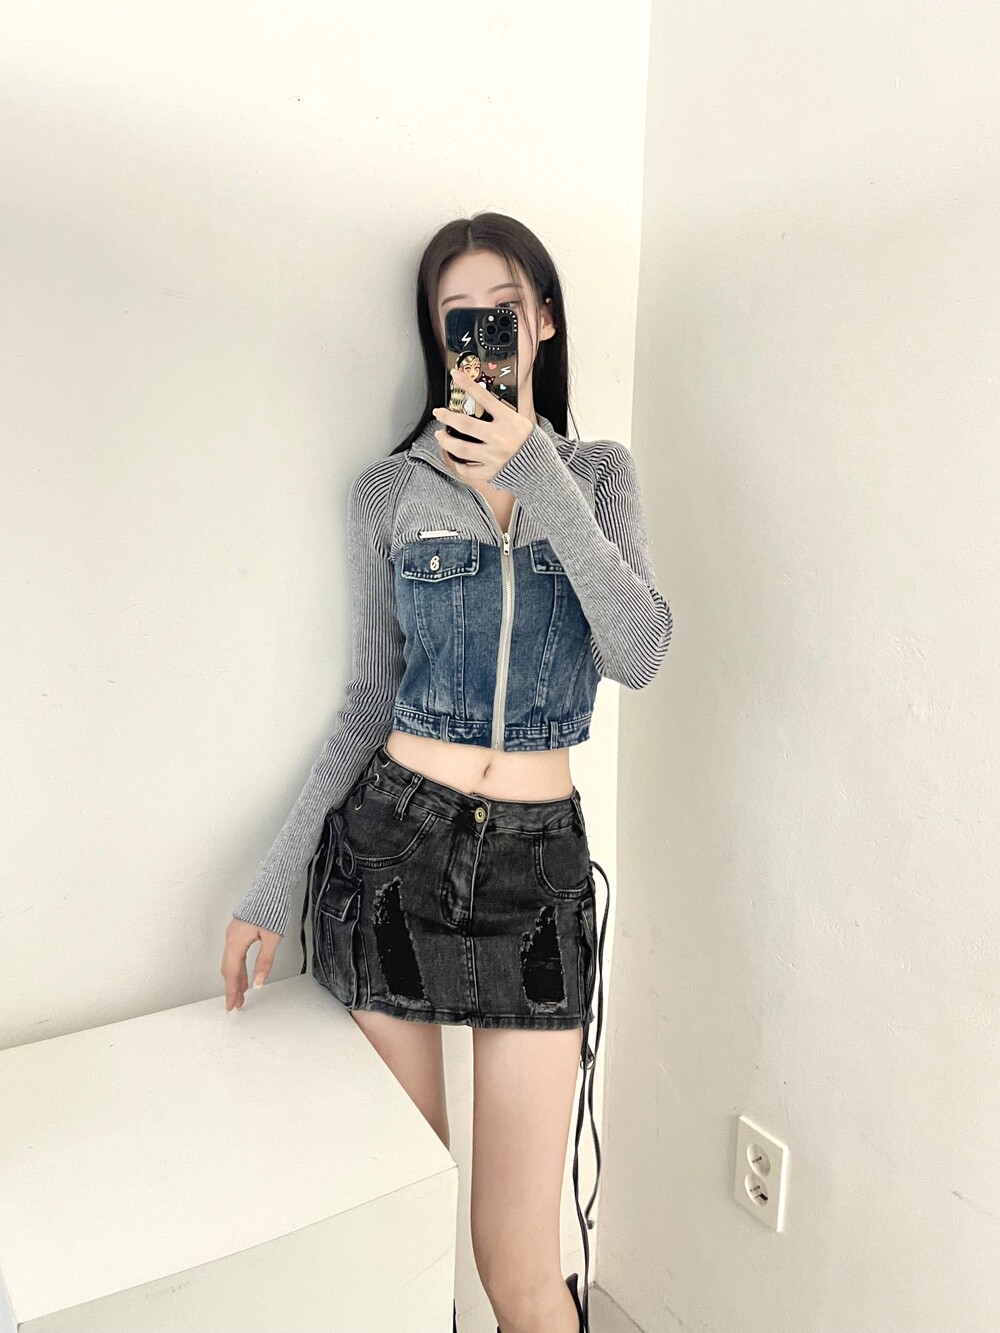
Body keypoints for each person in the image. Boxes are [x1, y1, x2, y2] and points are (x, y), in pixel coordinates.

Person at [220, 212, 673, 1333]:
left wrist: (537, 474)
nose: (482, 334)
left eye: (503, 312)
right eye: (457, 317)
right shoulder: (389, 493)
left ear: (543, 320)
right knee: (406, 1248)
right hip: (392, 855)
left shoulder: (598, 476)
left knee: (518, 1265)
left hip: (536, 877)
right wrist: (270, 883)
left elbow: (640, 651)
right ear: (437, 336)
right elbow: (368, 700)